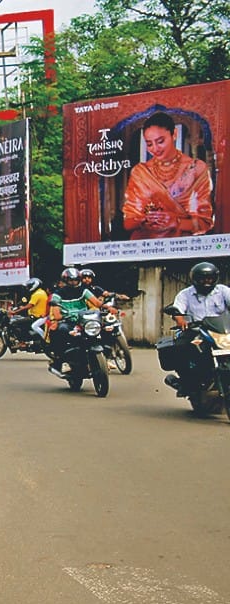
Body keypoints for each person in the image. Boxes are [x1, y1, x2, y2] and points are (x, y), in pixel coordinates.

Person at [121, 112, 213, 240]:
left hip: (182, 248)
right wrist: (144, 220)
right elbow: (128, 223)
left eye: (160, 141)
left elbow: (204, 224)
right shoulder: (140, 172)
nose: (155, 148)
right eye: (149, 144)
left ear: (174, 134)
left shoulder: (196, 168)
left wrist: (176, 222)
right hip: (145, 247)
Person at [166, 262, 230, 394]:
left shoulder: (223, 291)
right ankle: (184, 381)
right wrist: (179, 318)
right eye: (203, 279)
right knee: (180, 347)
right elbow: (178, 308)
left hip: (221, 330)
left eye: (210, 278)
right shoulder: (186, 294)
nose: (207, 282)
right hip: (196, 329)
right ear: (195, 279)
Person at [46, 267, 103, 370]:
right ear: (65, 281)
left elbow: (97, 303)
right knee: (59, 330)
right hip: (68, 321)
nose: (73, 282)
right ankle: (60, 360)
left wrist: (107, 306)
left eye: (75, 280)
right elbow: (56, 312)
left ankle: (106, 358)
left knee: (101, 328)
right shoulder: (58, 294)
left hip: (83, 320)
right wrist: (61, 317)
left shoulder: (83, 291)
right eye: (71, 280)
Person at [9, 277, 49, 342]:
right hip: (38, 316)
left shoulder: (37, 294)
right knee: (21, 320)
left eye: (29, 286)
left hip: (35, 317)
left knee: (14, 323)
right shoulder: (41, 292)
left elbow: (29, 306)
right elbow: (27, 304)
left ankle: (23, 341)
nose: (28, 288)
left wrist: (15, 312)